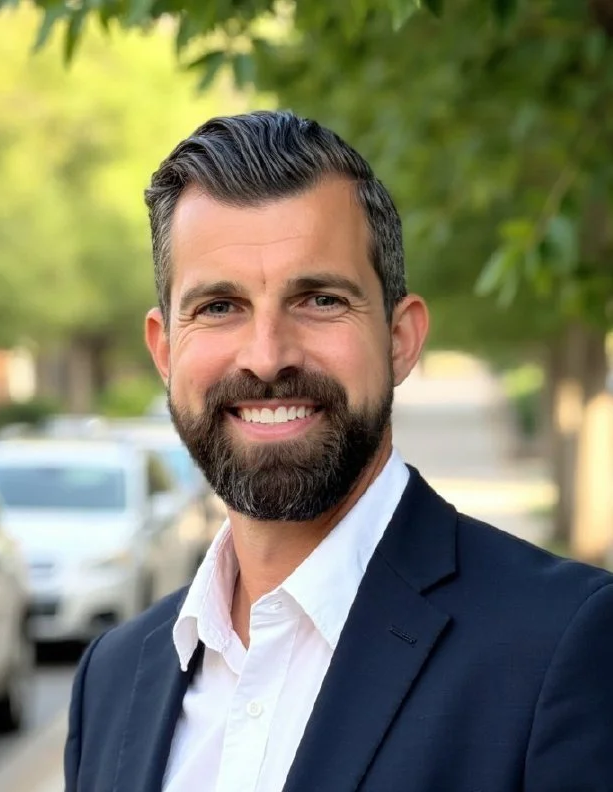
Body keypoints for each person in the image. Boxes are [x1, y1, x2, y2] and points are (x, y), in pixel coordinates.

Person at [63, 111, 613, 792]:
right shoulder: (112, 679)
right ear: (165, 350)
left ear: (400, 339)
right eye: (219, 307)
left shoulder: (563, 644)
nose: (267, 357)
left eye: (319, 300)